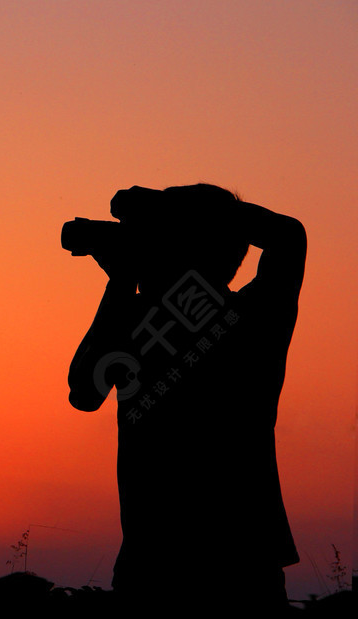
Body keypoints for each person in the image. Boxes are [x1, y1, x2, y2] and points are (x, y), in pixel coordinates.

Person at [66, 184, 306, 615]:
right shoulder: (257, 316)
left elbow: (85, 392)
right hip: (241, 556)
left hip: (160, 564)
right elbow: (288, 235)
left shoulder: (145, 323)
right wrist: (127, 272)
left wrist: (124, 274)